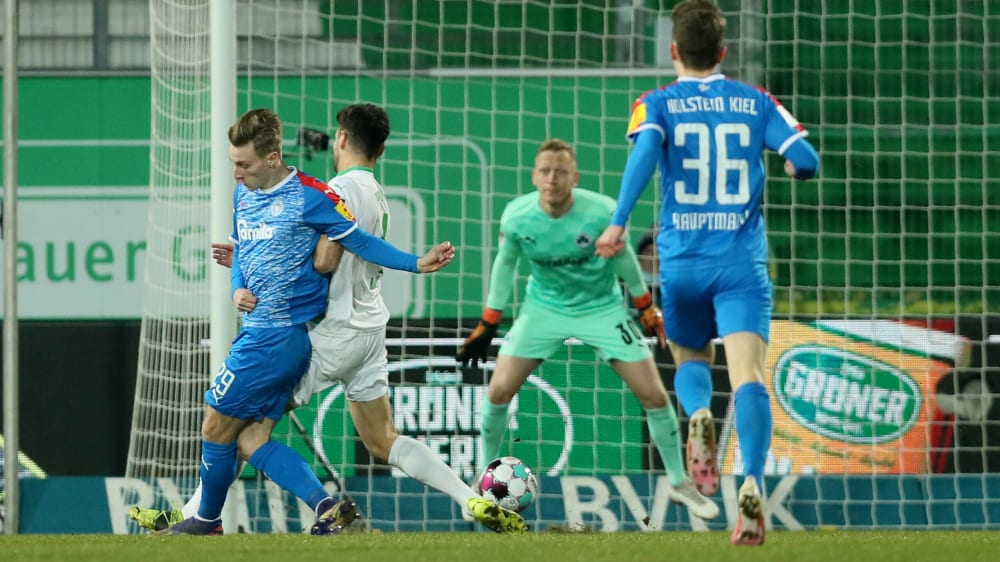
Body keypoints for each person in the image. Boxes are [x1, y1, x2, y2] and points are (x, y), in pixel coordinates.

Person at [132, 104, 526, 535]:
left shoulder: (333, 188)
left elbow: (323, 260)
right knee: (383, 440)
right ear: (381, 147)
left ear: (340, 139)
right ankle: (468, 499)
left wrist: (282, 259)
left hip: (328, 331)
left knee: (242, 431)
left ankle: (234, 514)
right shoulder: (374, 189)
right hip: (370, 328)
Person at [594, 0, 820, 546]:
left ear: (674, 50)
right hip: (740, 265)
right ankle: (750, 487)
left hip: (682, 262)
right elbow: (807, 160)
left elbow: (646, 151)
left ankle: (697, 412)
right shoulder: (756, 101)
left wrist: (619, 223)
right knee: (748, 375)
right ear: (723, 51)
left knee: (691, 356)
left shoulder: (655, 104)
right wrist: (790, 165)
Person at [455, 138, 719, 522]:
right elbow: (505, 265)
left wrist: (645, 307)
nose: (552, 178)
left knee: (654, 395)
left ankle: (679, 483)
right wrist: (488, 321)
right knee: (497, 391)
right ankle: (481, 487)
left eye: (560, 172)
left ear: (574, 177)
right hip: (542, 309)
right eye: (545, 171)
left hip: (602, 309)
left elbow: (626, 260)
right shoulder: (517, 216)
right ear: (534, 176)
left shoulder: (602, 213)